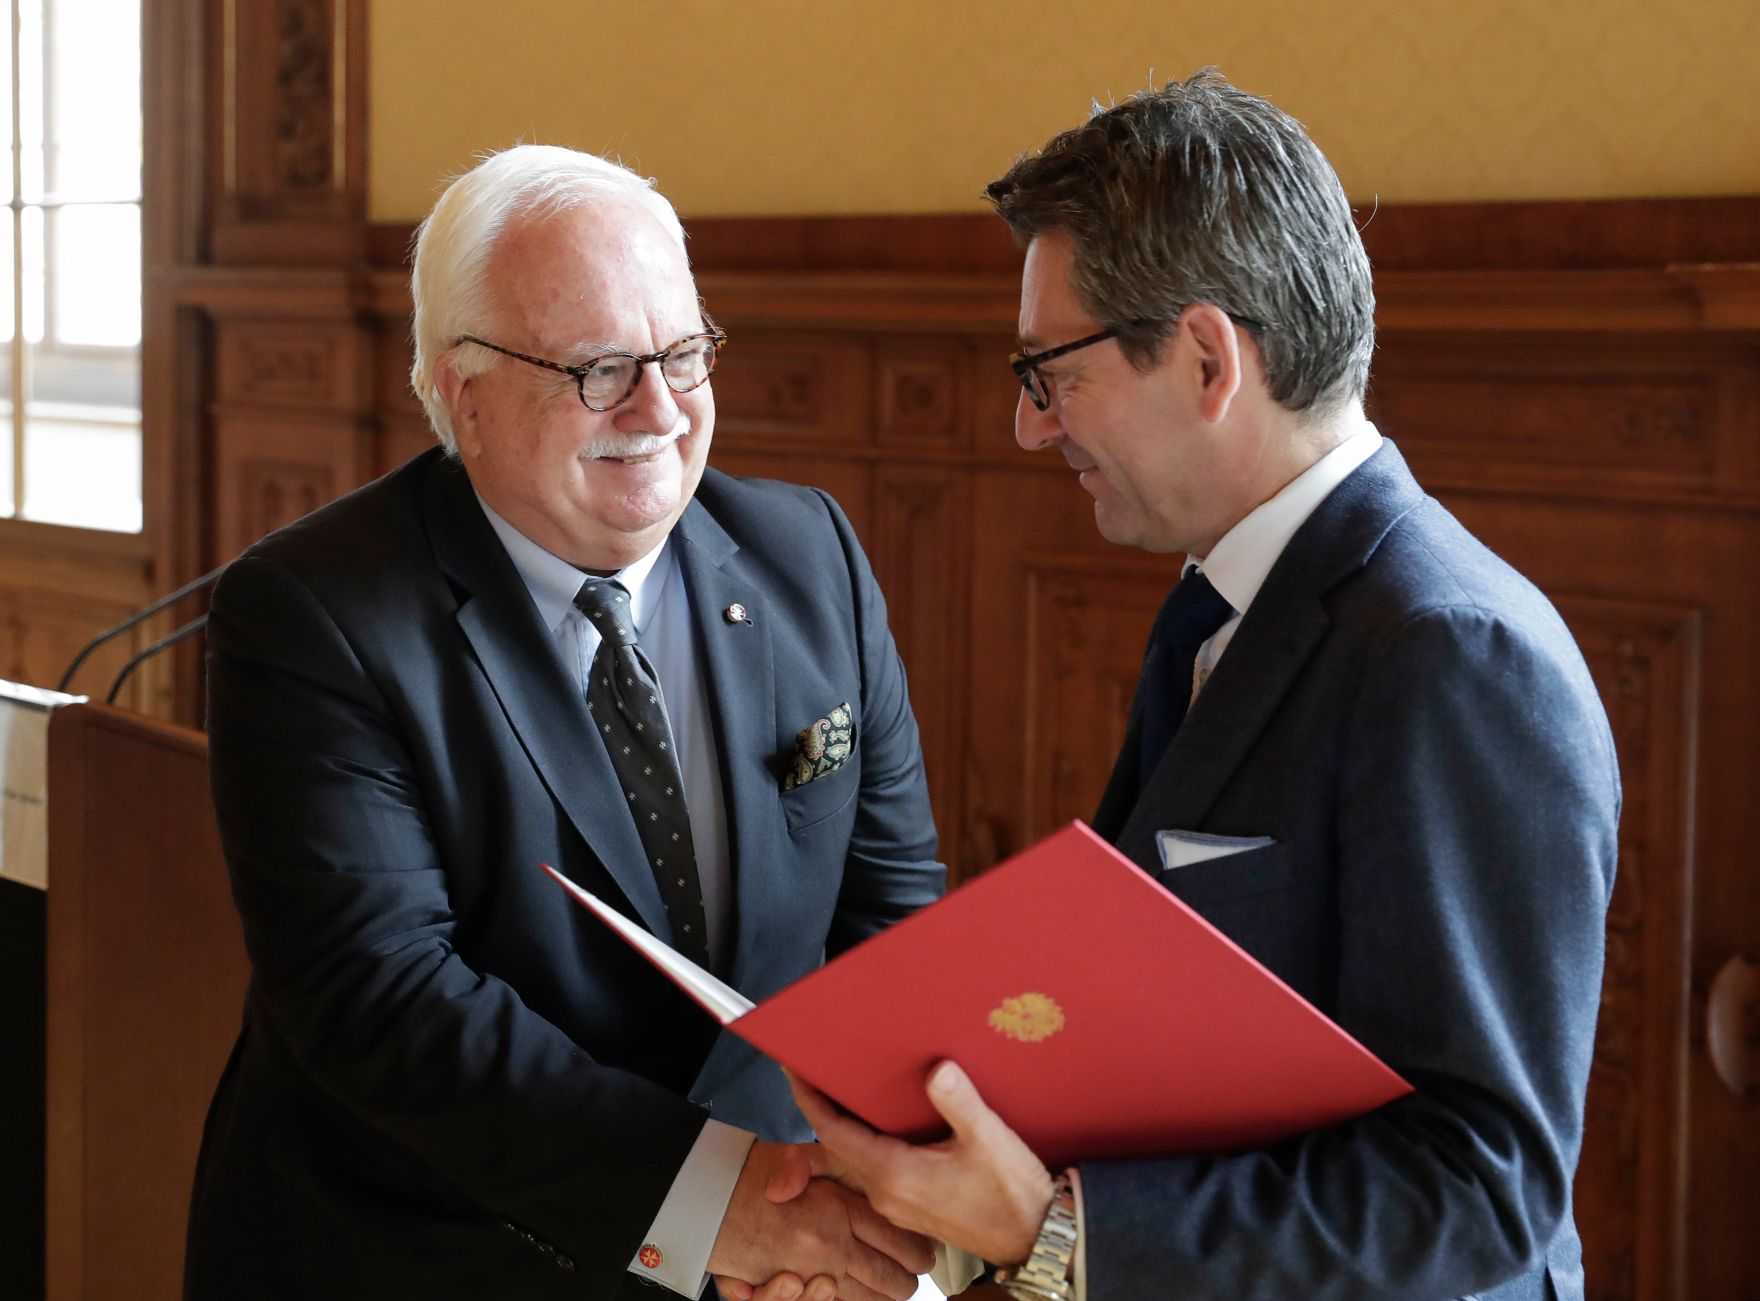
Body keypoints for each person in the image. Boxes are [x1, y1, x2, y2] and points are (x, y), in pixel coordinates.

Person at [772, 71, 1620, 1301]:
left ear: (1206, 358)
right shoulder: (1215, 609)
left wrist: (1059, 1232)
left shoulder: (1451, 654)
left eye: (1047, 371)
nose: (1029, 426)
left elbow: (1482, 1188)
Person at [184, 144, 942, 1301]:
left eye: (682, 352)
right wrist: (708, 1204)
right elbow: (383, 993)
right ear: (461, 391)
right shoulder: (313, 613)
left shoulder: (809, 558)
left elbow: (892, 920)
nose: (657, 408)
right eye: (596, 367)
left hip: (779, 1247)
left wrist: (884, 1203)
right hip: (437, 1255)